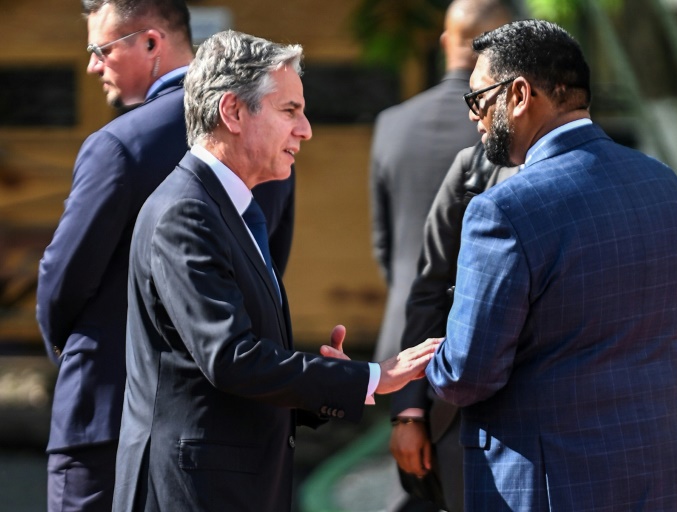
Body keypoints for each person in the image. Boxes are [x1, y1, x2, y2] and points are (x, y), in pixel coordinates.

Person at [111, 30, 440, 512]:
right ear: (233, 113)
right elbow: (229, 357)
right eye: (290, 111)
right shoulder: (188, 212)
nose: (305, 129)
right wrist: (371, 377)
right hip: (189, 493)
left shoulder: (231, 208)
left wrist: (328, 381)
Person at [425, 20, 677, 511]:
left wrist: (426, 362)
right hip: (660, 478)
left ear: (518, 94)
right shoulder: (662, 183)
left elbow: (468, 375)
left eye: (478, 100)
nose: (474, 117)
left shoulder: (503, 209)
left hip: (551, 489)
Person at [35, 2, 293, 510]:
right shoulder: (268, 137)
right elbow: (268, 273)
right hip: (224, 426)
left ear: (151, 43)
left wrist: (78, 358)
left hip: (107, 417)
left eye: (100, 49)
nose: (92, 64)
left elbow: (61, 281)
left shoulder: (118, 145)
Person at [369, 2, 510, 509]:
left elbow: (385, 248)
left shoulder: (392, 122)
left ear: (447, 39)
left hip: (400, 353)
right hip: (481, 354)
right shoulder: (512, 132)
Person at [391, 142, 517, 512]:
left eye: (479, 98)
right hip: (462, 420)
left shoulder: (599, 175)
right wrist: (408, 412)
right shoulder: (474, 165)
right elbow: (430, 289)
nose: (473, 114)